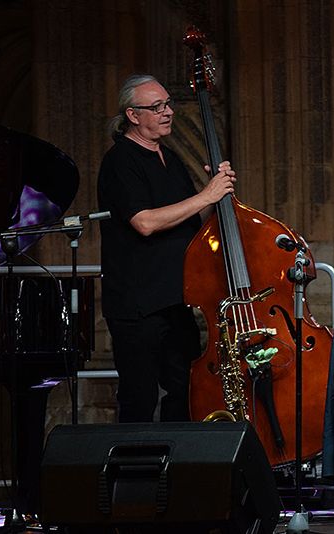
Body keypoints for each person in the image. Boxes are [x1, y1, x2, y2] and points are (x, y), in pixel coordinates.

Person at [98, 74, 236, 423]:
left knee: (184, 391)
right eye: (156, 107)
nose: (167, 112)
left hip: (175, 298)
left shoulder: (169, 158)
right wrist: (205, 195)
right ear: (133, 115)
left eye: (168, 104)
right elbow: (144, 222)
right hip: (137, 305)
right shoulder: (120, 161)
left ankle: (174, 472)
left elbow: (187, 219)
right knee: (140, 398)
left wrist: (215, 192)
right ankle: (134, 476)